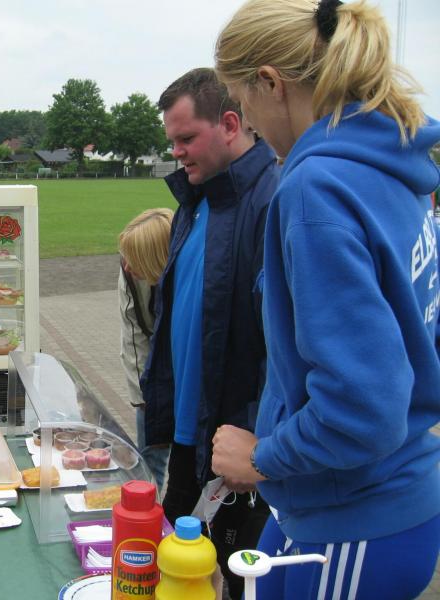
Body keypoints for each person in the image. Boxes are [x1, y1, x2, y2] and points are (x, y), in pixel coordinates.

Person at [210, 1, 440, 598]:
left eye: (242, 100)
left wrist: (263, 457)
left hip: (355, 521)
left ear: (270, 83)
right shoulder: (395, 169)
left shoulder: (316, 190)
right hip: (362, 505)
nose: (248, 122)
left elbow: (363, 411)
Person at [141, 67, 279, 598]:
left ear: (229, 124)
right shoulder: (192, 201)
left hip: (238, 451)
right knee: (178, 577)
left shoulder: (272, 201)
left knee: (234, 586)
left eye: (186, 139)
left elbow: (283, 345)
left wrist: (260, 441)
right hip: (188, 440)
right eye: (172, 141)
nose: (176, 152)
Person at [117, 208, 174, 490]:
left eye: (136, 259)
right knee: (151, 458)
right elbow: (134, 334)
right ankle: (148, 505)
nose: (127, 267)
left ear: (158, 258)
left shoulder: (190, 276)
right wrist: (143, 397)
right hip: (153, 371)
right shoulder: (130, 273)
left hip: (188, 375)